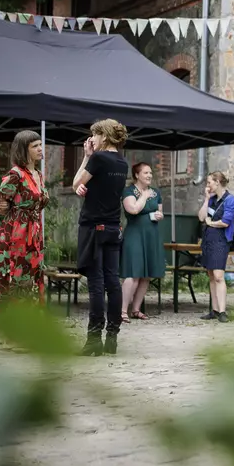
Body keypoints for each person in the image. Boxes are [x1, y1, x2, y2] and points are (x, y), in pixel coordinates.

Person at [73, 119, 130, 356]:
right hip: (113, 227)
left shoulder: (98, 158)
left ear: (103, 137)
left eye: (94, 136)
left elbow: (76, 182)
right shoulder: (122, 163)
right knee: (113, 282)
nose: (91, 140)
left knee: (96, 284)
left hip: (93, 226)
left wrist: (86, 156)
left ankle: (93, 340)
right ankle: (112, 339)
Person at [0, 130, 48, 304]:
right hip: (16, 235)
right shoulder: (16, 175)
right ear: (24, 149)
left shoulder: (38, 174)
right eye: (34, 146)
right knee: (16, 274)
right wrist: (14, 213)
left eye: (40, 145)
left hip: (34, 234)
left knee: (32, 273)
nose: (39, 149)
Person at [120, 162, 164, 322]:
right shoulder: (129, 191)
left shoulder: (156, 192)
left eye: (150, 172)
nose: (149, 175)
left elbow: (160, 211)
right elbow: (133, 209)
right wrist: (144, 196)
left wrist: (160, 215)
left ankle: (136, 309)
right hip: (135, 235)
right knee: (133, 273)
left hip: (151, 235)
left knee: (146, 275)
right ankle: (122, 310)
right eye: (146, 173)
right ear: (137, 175)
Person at [196, 171, 234, 323]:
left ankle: (222, 311)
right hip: (208, 239)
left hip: (221, 240)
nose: (207, 185)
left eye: (209, 182)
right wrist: (206, 199)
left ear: (217, 182)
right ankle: (214, 310)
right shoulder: (212, 199)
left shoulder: (230, 200)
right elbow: (201, 217)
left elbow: (226, 222)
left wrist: (211, 223)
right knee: (210, 275)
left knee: (218, 276)